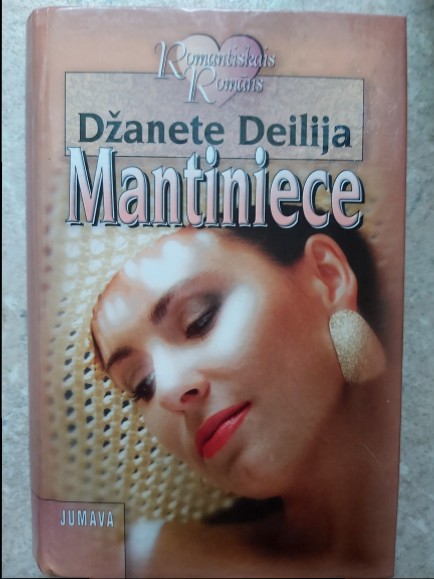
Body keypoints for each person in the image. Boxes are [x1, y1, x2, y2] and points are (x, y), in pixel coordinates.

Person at [90, 215, 392, 578]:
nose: (168, 390)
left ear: (328, 278)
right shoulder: (147, 563)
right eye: (143, 384)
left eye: (199, 320)